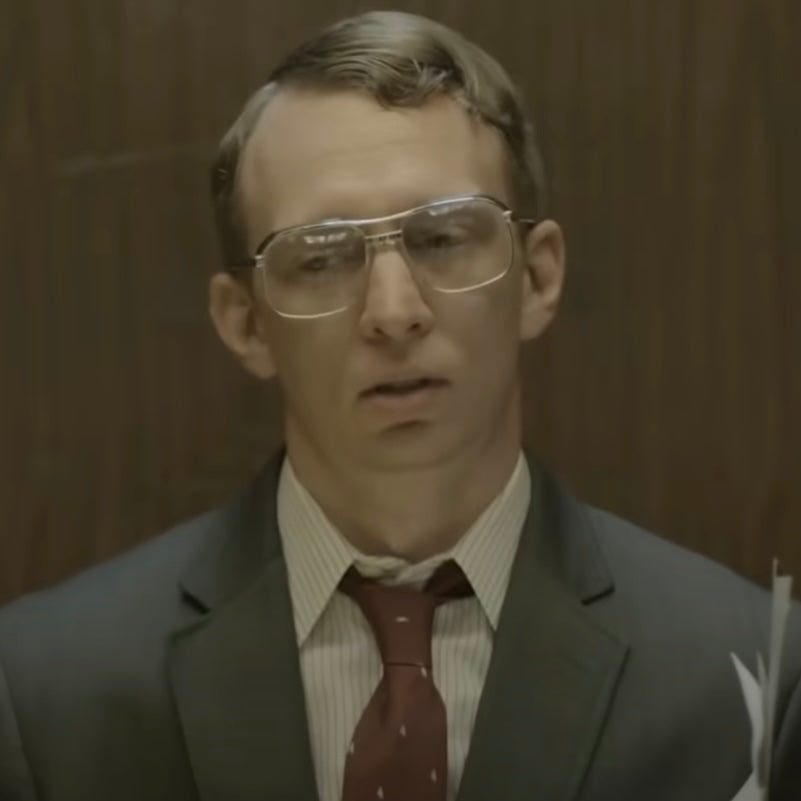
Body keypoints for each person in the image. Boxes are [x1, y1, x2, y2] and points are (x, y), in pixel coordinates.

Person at [0, 10, 799, 801]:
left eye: (443, 237)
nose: (393, 311)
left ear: (537, 277)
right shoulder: (45, 689)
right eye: (321, 257)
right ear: (245, 323)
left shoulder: (750, 676)